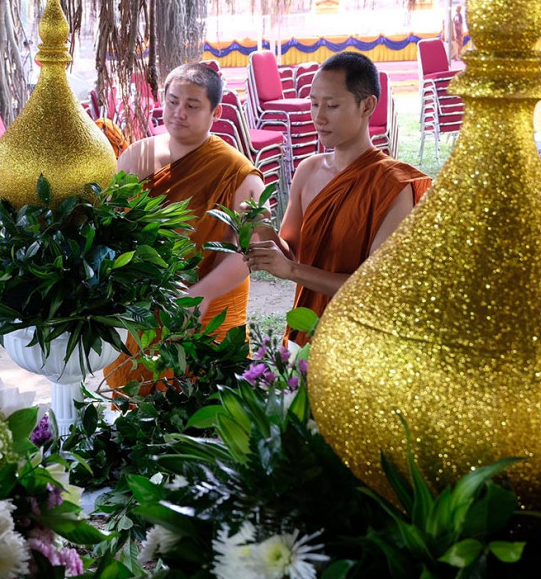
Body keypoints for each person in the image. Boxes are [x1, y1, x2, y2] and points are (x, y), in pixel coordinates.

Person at [245, 52, 431, 346]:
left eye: (331, 105)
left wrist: (292, 270)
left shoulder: (394, 186)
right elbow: (292, 255)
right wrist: (261, 224)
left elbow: (375, 288)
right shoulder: (308, 171)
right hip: (305, 333)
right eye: (314, 103)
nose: (319, 117)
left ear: (367, 105)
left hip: (361, 342)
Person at [104, 63, 264, 395]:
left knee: (209, 406)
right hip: (146, 306)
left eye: (192, 106)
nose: (179, 112)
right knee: (139, 410)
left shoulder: (238, 173)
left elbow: (248, 251)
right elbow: (111, 227)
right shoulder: (138, 156)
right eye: (172, 101)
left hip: (210, 301)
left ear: (215, 112)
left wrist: (199, 294)